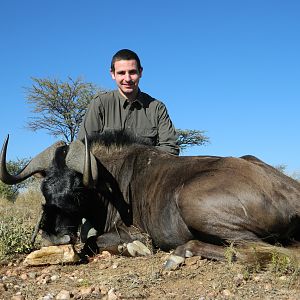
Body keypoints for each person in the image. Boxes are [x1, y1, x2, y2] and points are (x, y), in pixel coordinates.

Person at [77, 49, 179, 155]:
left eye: (132, 72)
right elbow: (82, 148)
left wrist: (137, 161)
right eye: (121, 73)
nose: (127, 78)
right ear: (112, 74)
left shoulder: (157, 108)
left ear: (140, 72)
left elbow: (170, 149)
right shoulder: (100, 103)